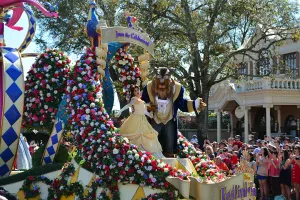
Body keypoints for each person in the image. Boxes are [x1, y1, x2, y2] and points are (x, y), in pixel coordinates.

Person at [116, 85, 164, 158]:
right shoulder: (134, 99)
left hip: (143, 119)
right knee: (137, 135)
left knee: (148, 135)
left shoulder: (141, 100)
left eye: (137, 90)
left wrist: (150, 115)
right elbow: (128, 105)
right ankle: (136, 154)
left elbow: (144, 111)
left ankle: (148, 155)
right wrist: (120, 111)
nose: (137, 92)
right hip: (135, 119)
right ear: (133, 92)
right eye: (135, 91)